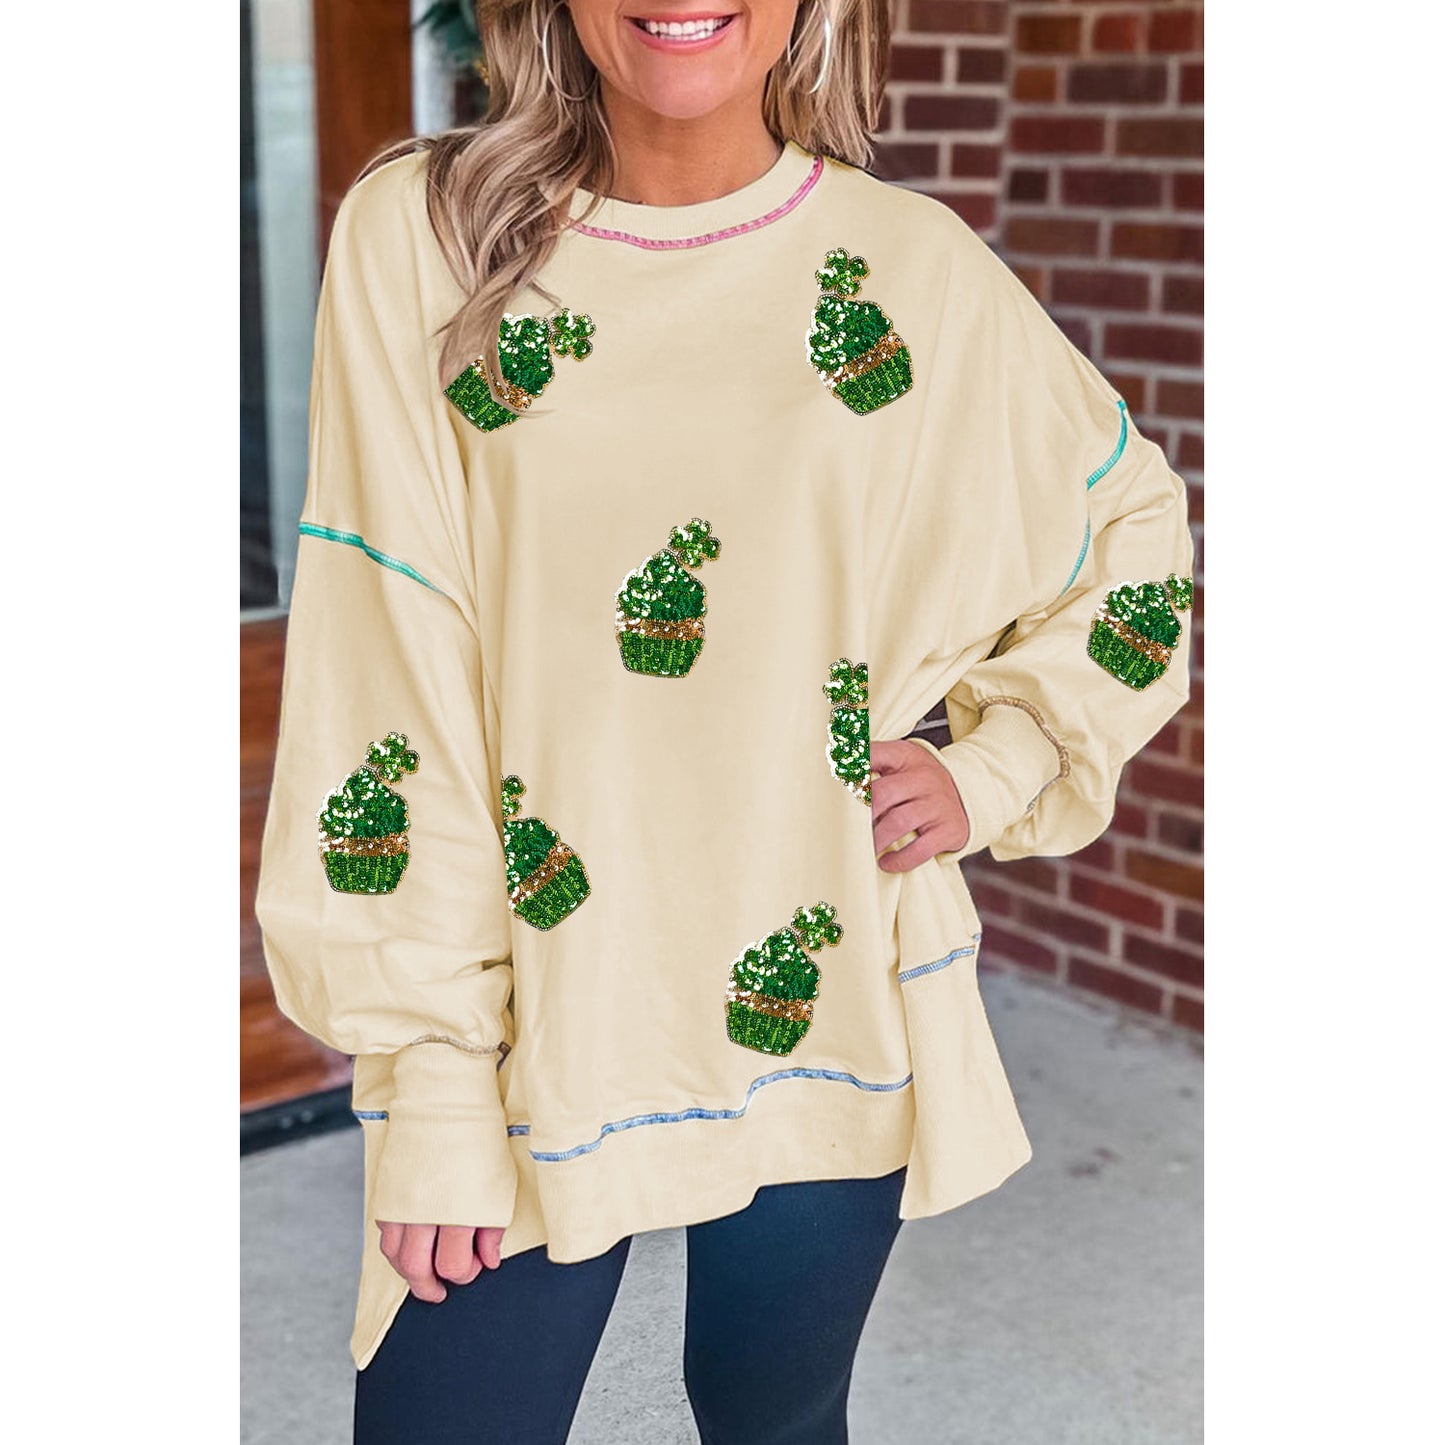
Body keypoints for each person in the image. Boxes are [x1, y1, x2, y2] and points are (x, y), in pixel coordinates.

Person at [255, 1, 1195, 1440]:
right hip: (535, 1017)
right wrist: (434, 1079)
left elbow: (1129, 531)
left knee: (777, 1422)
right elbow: (386, 672)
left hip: (819, 977)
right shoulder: (429, 236)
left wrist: (1000, 761)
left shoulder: (907, 269)